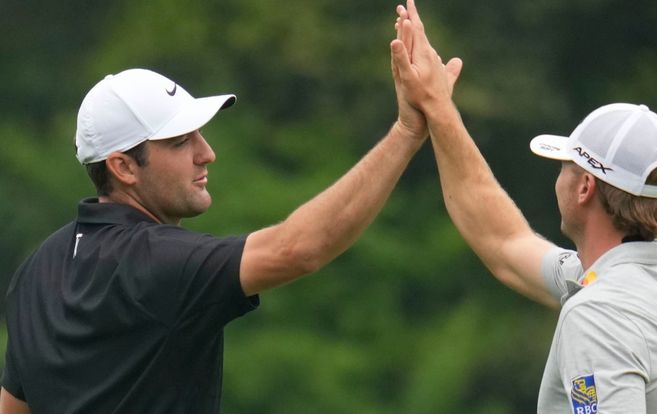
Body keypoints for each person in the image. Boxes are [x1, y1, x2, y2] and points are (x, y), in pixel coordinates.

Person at [0, 61, 461, 412]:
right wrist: (407, 130)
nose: (207, 154)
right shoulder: (157, 261)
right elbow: (299, 249)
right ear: (122, 167)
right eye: (180, 143)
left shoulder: (37, 269)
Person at [390, 1, 657, 412]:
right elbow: (504, 241)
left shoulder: (596, 314)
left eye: (564, 167)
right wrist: (437, 106)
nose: (557, 178)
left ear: (585, 188)